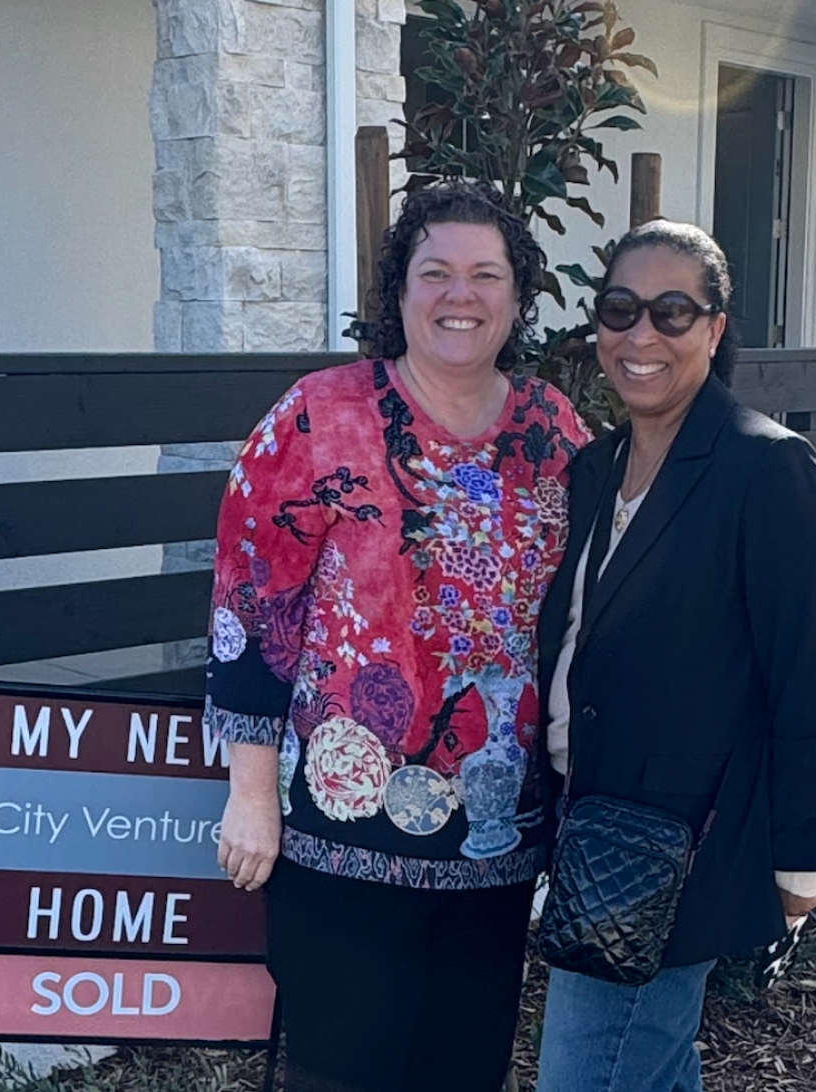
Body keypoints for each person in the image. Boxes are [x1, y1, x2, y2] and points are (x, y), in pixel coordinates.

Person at [204, 180, 591, 1092]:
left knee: (463, 1068)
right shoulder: (317, 415)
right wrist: (251, 795)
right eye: (436, 272)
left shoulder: (553, 429)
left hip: (495, 839)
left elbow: (583, 612)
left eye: (486, 274)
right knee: (347, 1067)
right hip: (340, 829)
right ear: (400, 292)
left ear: (517, 295)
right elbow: (251, 607)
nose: (461, 294)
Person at [535, 219, 816, 1092]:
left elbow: (810, 677)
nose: (642, 336)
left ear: (715, 329)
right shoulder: (597, 470)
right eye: (621, 308)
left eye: (673, 312)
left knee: (590, 1076)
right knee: (650, 1067)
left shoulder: (766, 468)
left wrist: (802, 852)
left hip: (682, 845)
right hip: (591, 825)